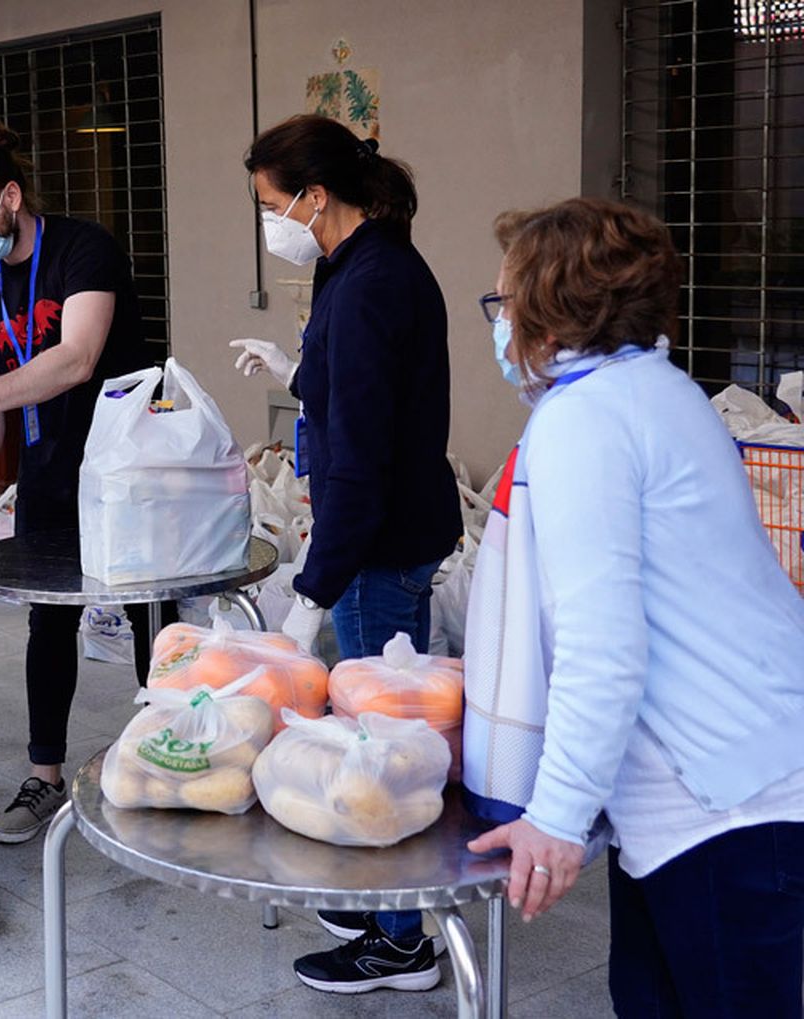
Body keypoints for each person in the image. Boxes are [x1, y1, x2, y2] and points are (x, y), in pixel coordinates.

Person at [463, 197, 804, 1018]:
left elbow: (602, 642)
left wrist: (553, 817)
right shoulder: (657, 389)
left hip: (727, 807)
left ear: (550, 313)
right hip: (722, 785)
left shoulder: (585, 421)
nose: (499, 321)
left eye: (503, 301)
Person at [231, 114, 461, 993]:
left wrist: (315, 586)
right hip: (381, 530)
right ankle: (380, 902)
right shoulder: (355, 265)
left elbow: (364, 455)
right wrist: (298, 373)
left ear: (315, 196)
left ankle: (403, 939)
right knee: (382, 725)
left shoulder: (371, 282)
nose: (270, 221)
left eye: (270, 202)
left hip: (378, 542)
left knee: (386, 744)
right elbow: (362, 389)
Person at [0, 120, 162, 846]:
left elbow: (77, 358)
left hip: (127, 466)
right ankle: (45, 774)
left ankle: (164, 763)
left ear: (10, 196)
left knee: (147, 611)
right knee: (48, 620)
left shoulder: (81, 246)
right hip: (48, 470)